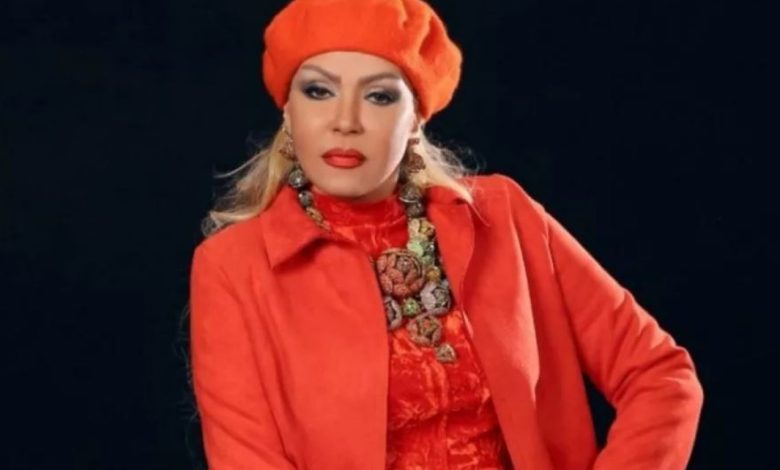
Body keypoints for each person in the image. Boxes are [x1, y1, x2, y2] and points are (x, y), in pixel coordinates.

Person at [188, 0, 704, 468]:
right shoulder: (232, 267)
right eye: (319, 91)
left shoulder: (505, 217)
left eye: (379, 96)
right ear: (288, 108)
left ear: (416, 118)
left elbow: (661, 376)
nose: (344, 121)